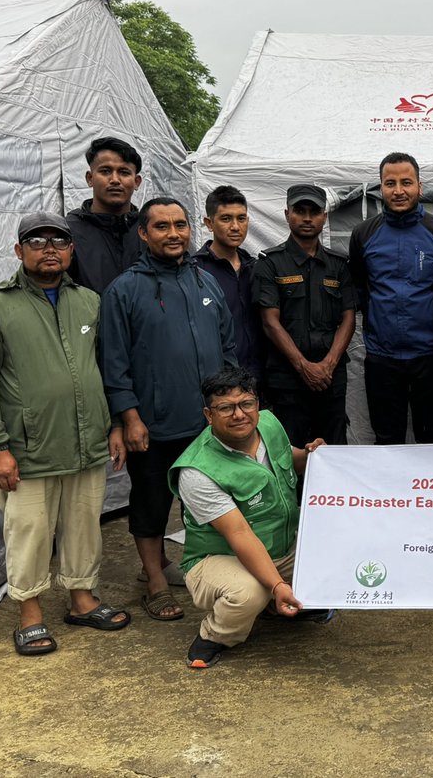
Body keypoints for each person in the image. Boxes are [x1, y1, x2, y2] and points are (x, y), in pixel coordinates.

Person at [0, 213, 130, 655]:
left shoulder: (90, 302)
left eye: (59, 241)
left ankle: (81, 598)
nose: (49, 248)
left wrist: (114, 424)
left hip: (87, 439)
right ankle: (30, 613)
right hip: (28, 446)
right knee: (30, 530)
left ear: (72, 250)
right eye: (37, 241)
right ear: (19, 251)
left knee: (83, 526)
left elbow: (107, 368)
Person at [100, 197, 237, 621]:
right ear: (144, 234)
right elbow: (113, 361)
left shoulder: (204, 281)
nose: (174, 233)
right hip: (154, 424)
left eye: (180, 225)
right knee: (152, 503)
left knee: (210, 501)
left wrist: (231, 403)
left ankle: (209, 573)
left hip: (207, 423)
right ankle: (155, 582)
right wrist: (129, 417)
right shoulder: (124, 289)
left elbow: (228, 344)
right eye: (162, 227)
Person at [170, 366, 329, 669]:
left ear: (257, 405)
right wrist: (277, 585)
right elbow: (240, 536)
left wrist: (313, 456)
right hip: (220, 556)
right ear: (208, 414)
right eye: (225, 408)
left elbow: (290, 460)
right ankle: (216, 634)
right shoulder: (196, 471)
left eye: (246, 404)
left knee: (339, 549)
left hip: (281, 546)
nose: (239, 414)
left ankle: (273, 604)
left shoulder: (268, 424)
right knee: (249, 592)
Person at [349, 153, 433, 444]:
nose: (398, 191)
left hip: (430, 356)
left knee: (432, 436)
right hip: (382, 357)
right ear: (381, 188)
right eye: (390, 183)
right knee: (387, 438)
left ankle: (431, 491)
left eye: (406, 182)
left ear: (420, 187)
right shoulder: (363, 234)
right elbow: (361, 288)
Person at [253, 184, 356, 451]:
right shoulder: (269, 263)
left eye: (314, 211)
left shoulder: (339, 264)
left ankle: (334, 495)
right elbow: (269, 322)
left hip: (330, 378)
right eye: (300, 211)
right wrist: (304, 367)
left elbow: (348, 318)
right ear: (287, 214)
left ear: (324, 216)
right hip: (288, 378)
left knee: (334, 449)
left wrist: (328, 365)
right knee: (291, 451)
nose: (307, 218)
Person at [193, 185, 264, 382]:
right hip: (217, 381)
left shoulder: (256, 268)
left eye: (241, 218)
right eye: (226, 219)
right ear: (209, 223)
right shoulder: (195, 271)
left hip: (259, 378)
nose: (235, 226)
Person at [65, 136, 145, 294]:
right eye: (105, 171)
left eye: (124, 172)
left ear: (136, 182)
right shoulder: (67, 231)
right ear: (90, 178)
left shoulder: (150, 230)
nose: (115, 180)